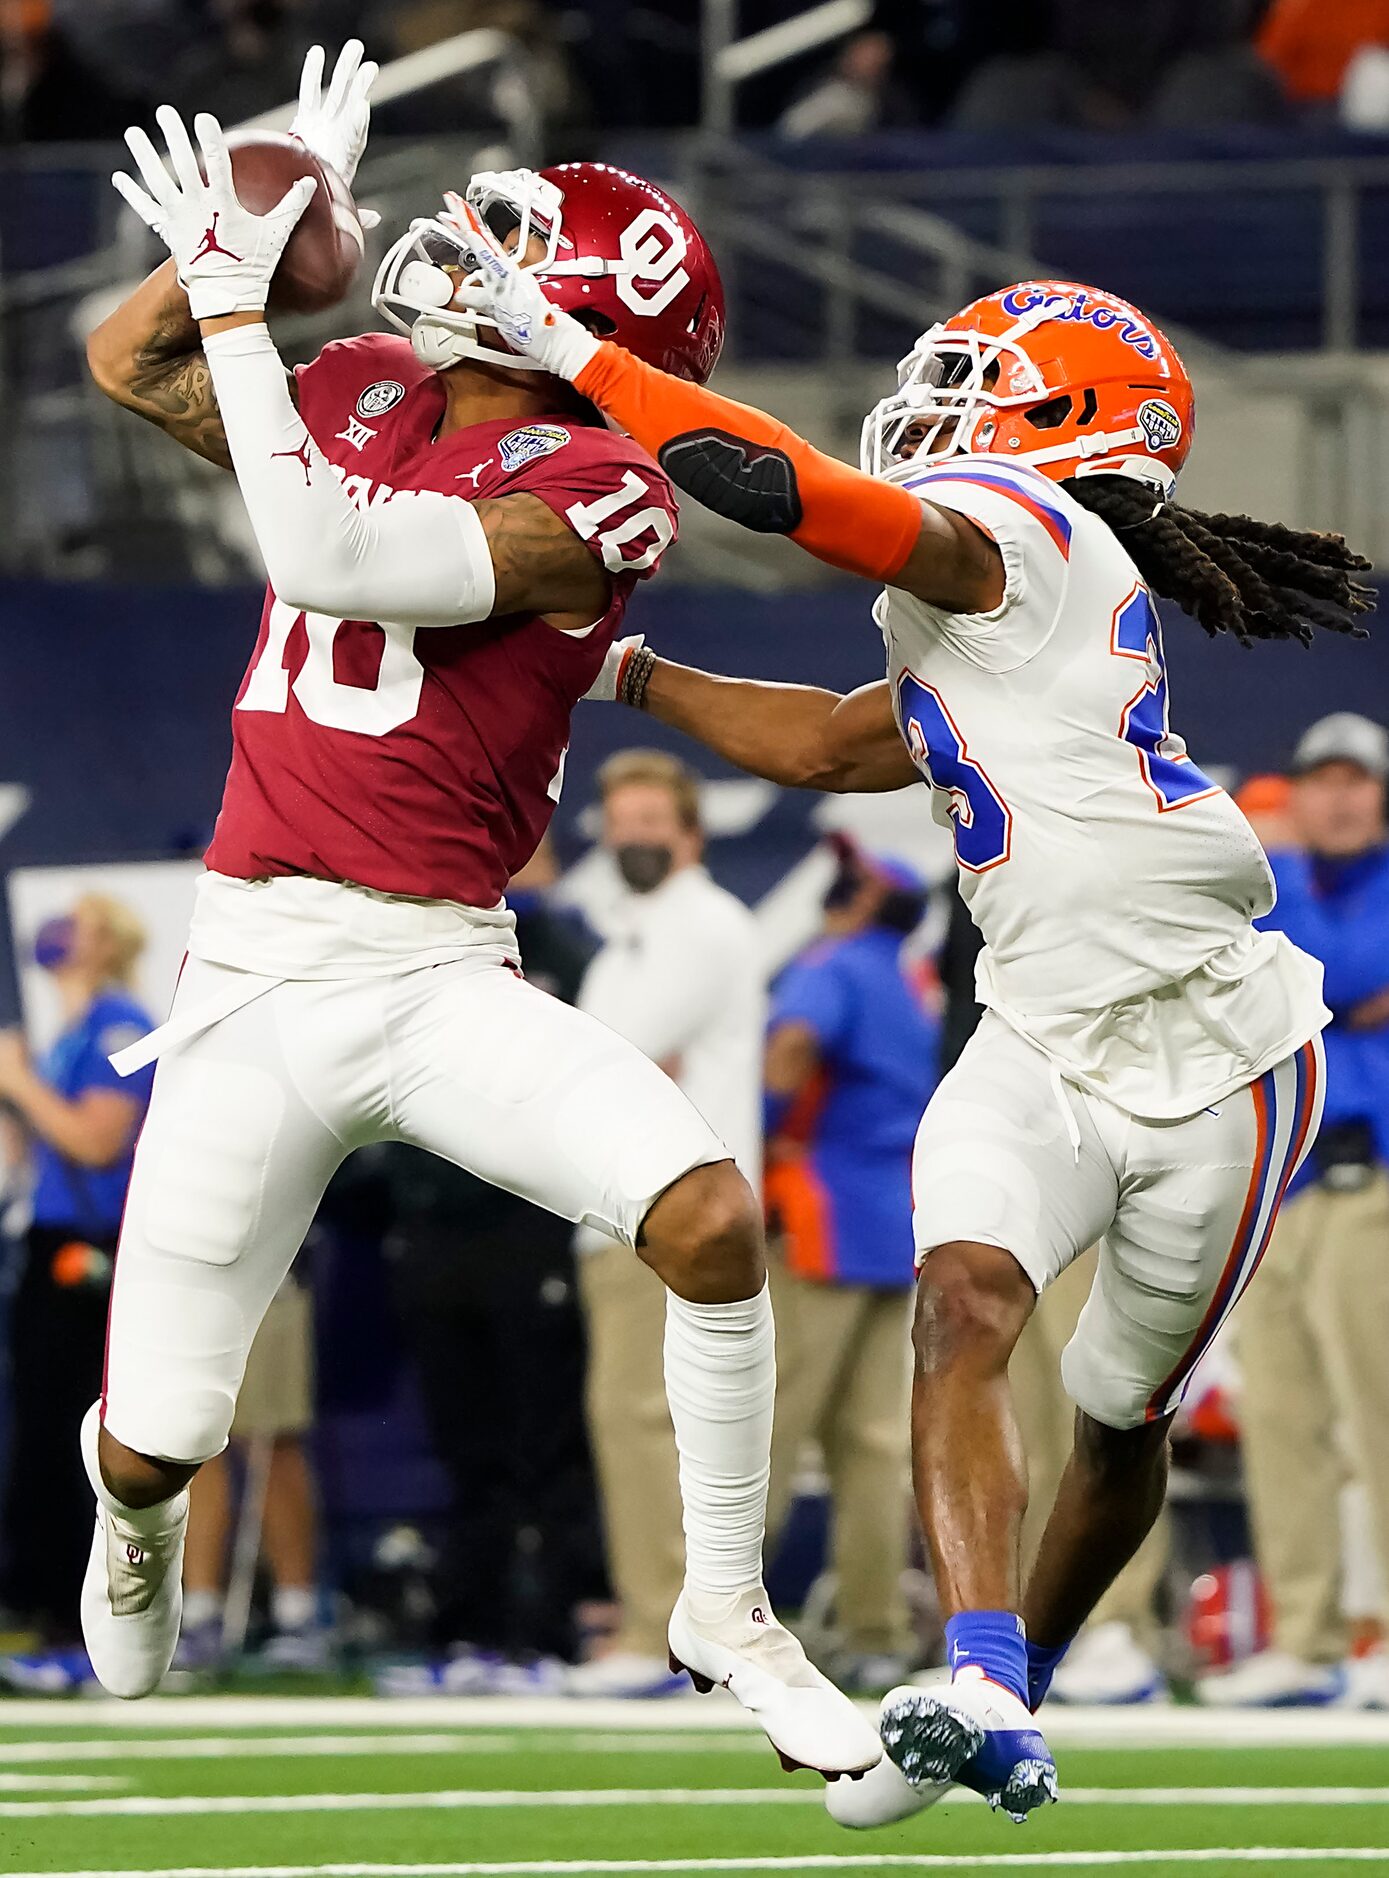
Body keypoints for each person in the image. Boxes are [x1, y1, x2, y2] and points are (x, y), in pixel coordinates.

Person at [454, 236, 1374, 1820]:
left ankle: (1011, 1680)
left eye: (976, 390)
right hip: (1035, 1035)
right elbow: (829, 742)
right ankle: (979, 1671)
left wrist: (585, 357)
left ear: (1072, 425)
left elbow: (793, 493)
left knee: (1119, 1418)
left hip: (1220, 1056)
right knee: (961, 1299)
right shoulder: (1001, 587)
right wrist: (624, 672)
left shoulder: (1026, 529)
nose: (937, 413)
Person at [76, 42, 878, 1779]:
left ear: (584, 325)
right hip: (251, 972)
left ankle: (723, 1607)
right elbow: (128, 357)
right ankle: (131, 1505)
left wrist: (232, 303)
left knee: (707, 1222)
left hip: (433, 969)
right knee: (160, 1434)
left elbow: (330, 561)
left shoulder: (609, 490)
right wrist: (262, 206)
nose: (459, 249)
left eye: (512, 244)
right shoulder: (362, 380)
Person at [1197, 713, 1389, 1711]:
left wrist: (1303, 981)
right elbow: (1257, 987)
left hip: (1376, 1185)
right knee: (1280, 1416)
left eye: (1360, 781)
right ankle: (1307, 1641)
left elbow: (1317, 976)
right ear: (1300, 792)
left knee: (1379, 1414)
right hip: (1280, 1180)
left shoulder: (1318, 887)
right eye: (1325, 781)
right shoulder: (1273, 883)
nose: (1343, 797)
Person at [566, 750, 764, 1697]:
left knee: (646, 1421)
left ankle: (661, 1633)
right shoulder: (637, 932)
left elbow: (606, 1056)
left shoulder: (698, 925)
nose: (635, 835)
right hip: (631, 1209)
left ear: (689, 831)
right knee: (644, 1421)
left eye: (654, 819)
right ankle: (674, 1628)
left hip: (668, 1212)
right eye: (623, 819)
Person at [762, 835, 938, 1693]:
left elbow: (790, 1050)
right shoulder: (910, 982)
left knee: (768, 1422)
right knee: (871, 1444)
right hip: (892, 1223)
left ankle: (721, 1620)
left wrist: (750, 1127)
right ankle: (873, 1630)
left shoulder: (829, 964)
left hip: (819, 1213)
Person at [0, 895, 154, 1641]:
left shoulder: (121, 1026)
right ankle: (38, 1595)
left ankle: (72, 1606)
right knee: (36, 1421)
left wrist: (20, 1084)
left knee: (72, 1424)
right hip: (46, 1239)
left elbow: (97, 1143)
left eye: (83, 923)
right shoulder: (69, 1029)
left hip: (87, 1249)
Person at [176, 1269, 324, 1672]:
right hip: (183, 1274)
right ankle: (199, 1612)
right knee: (191, 1437)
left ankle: (298, 1613)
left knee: (272, 1438)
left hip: (263, 1265)